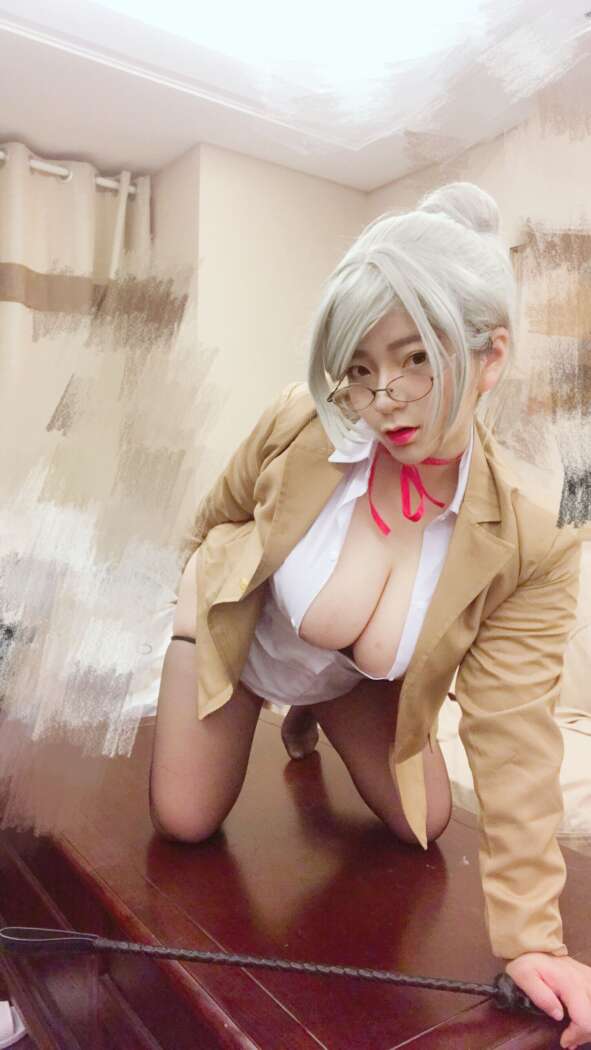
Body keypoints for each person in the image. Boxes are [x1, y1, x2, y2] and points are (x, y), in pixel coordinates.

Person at [149, 182, 591, 1049]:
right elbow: (216, 517)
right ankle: (255, 685)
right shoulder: (300, 423)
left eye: (415, 358)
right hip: (239, 636)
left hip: (350, 676)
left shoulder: (532, 541)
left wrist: (534, 942)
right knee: (186, 824)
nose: (382, 394)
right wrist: (197, 602)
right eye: (358, 367)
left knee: (426, 828)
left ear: (489, 357)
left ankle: (315, 707)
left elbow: (513, 733)